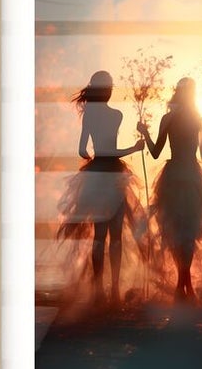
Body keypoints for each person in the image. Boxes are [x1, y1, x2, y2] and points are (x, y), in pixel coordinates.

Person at [55, 70, 142, 303]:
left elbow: (83, 150)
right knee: (115, 236)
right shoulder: (116, 115)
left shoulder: (90, 115)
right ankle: (113, 289)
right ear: (109, 89)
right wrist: (133, 149)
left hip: (96, 175)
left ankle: (98, 289)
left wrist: (92, 157)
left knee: (99, 235)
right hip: (113, 174)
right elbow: (109, 150)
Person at [144, 76, 202, 300]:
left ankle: (182, 284)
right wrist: (145, 133)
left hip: (186, 175)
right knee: (179, 230)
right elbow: (157, 152)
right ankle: (183, 284)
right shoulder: (177, 119)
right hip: (178, 176)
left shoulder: (197, 120)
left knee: (188, 230)